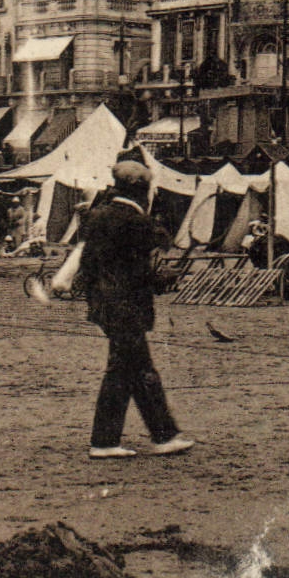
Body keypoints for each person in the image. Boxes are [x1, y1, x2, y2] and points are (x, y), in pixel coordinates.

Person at [80, 161, 194, 459]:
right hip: (128, 306)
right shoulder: (137, 221)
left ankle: (154, 435)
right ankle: (121, 440)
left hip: (105, 304)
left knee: (131, 370)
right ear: (142, 188)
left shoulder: (96, 217)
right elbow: (140, 272)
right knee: (130, 371)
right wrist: (164, 279)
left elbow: (88, 267)